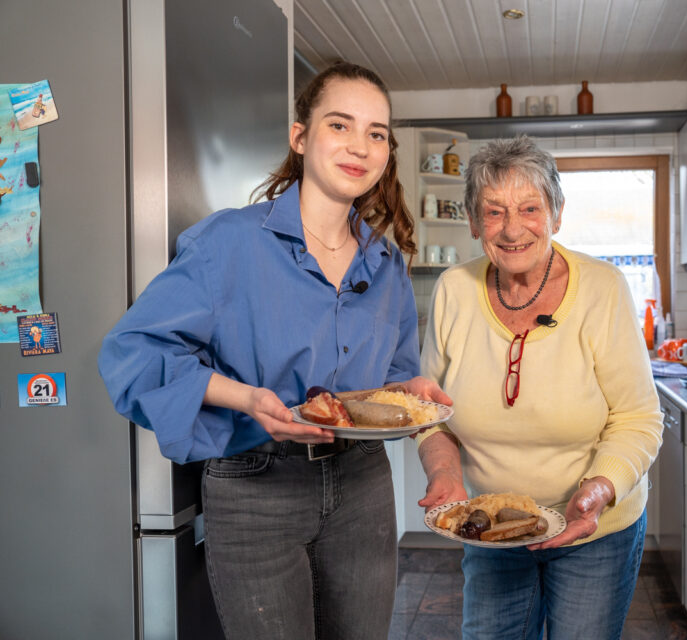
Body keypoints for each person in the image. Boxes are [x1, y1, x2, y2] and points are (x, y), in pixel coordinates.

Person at [98, 61, 450, 640]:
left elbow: (390, 381)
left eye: (377, 133)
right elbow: (132, 354)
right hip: (256, 484)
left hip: (363, 487)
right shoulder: (230, 241)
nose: (360, 145)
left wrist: (409, 394)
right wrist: (246, 398)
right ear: (301, 137)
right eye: (339, 125)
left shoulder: (385, 265)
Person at [416, 136, 663, 640]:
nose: (511, 228)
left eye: (530, 207)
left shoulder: (604, 288)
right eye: (493, 211)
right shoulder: (454, 290)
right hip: (490, 527)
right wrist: (444, 474)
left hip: (595, 530)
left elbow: (638, 418)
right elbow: (429, 410)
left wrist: (598, 490)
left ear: (556, 214)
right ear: (471, 220)